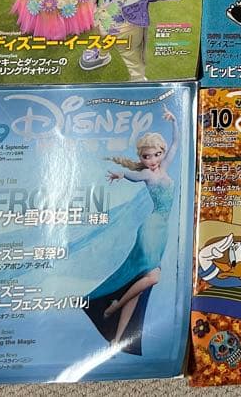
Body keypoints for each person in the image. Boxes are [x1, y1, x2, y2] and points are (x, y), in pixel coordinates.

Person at [83, 108, 179, 353]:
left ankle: (117, 340)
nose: (153, 159)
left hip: (162, 230)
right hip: (151, 228)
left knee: (139, 284)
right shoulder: (146, 174)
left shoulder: (164, 168)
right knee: (153, 277)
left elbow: (177, 143)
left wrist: (174, 121)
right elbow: (131, 175)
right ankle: (114, 307)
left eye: (157, 154)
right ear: (142, 158)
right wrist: (120, 174)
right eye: (147, 156)